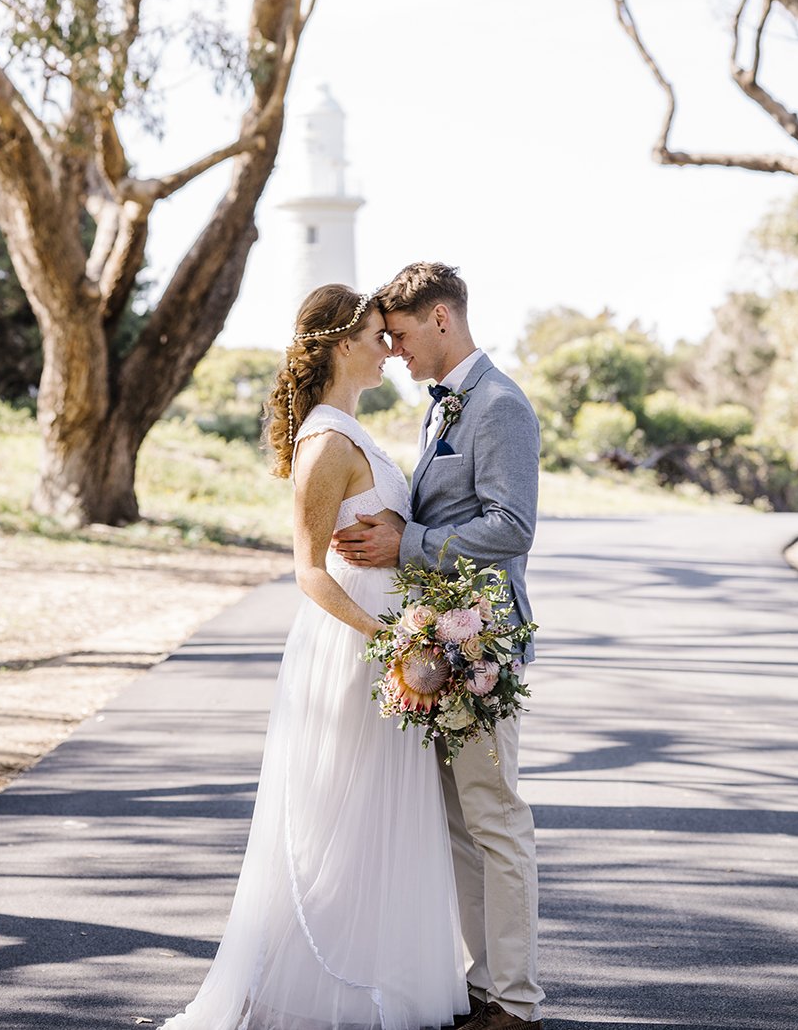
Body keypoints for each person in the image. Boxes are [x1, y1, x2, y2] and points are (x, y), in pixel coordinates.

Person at [161, 283, 468, 1030]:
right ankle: (316, 992)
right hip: (354, 650)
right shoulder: (327, 442)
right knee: (343, 820)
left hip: (385, 645)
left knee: (377, 823)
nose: (390, 348)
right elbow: (308, 571)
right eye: (375, 335)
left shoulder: (351, 431)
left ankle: (371, 982)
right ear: (338, 345)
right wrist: (388, 637)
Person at [334, 263, 544, 1030]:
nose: (394, 350)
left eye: (401, 333)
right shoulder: (442, 409)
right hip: (445, 648)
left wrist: (408, 543)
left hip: (484, 642)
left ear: (443, 320)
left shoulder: (499, 405)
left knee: (495, 820)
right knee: (462, 827)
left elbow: (513, 526)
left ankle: (518, 1005)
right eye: (384, 336)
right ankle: (485, 987)